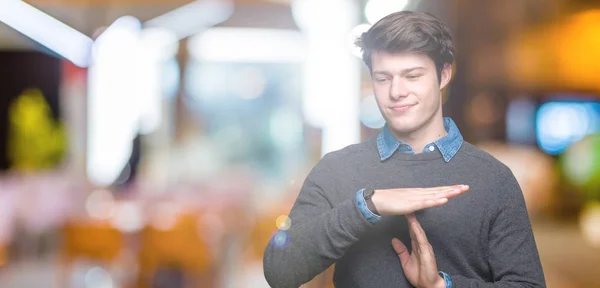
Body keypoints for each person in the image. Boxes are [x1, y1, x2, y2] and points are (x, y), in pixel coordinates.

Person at [263, 11, 546, 288]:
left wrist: (441, 286)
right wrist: (367, 206)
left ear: (444, 74)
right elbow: (279, 272)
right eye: (383, 78)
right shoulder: (336, 170)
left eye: (412, 76)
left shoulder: (493, 179)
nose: (396, 91)